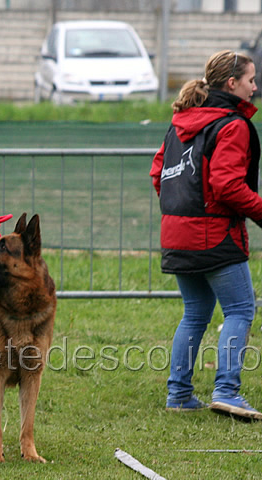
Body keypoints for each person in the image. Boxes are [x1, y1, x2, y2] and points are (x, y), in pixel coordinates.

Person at [150, 50, 262, 421]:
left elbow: (158, 174)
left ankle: (179, 394)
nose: (255, 87)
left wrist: (183, 212)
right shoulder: (232, 125)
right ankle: (227, 391)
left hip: (176, 233)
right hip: (213, 235)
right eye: (251, 80)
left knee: (196, 312)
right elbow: (227, 185)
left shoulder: (180, 122)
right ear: (232, 84)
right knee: (241, 309)